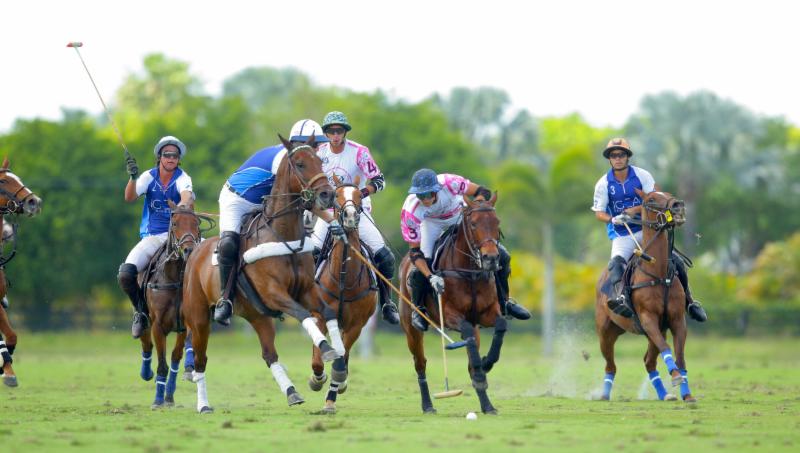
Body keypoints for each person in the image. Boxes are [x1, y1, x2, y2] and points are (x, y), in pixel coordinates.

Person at [213, 119, 346, 325]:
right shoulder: (284, 160)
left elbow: (306, 197)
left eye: (318, 144)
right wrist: (330, 220)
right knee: (229, 243)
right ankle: (225, 299)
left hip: (264, 200)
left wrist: (333, 214)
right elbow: (306, 200)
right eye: (315, 143)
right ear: (298, 142)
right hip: (237, 199)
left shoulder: (304, 159)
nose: (318, 148)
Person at [591, 138, 707, 322]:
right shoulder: (603, 183)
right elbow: (599, 213)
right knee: (616, 264)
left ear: (627, 157)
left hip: (649, 230)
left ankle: (690, 302)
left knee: (676, 261)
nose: (618, 158)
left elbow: (656, 197)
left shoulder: (642, 175)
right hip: (623, 233)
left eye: (621, 154)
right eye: (614, 155)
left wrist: (634, 210)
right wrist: (613, 219)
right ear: (610, 159)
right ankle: (621, 298)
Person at [400, 169, 531, 331]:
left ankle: (505, 302)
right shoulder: (410, 211)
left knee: (503, 256)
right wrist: (431, 276)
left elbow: (483, 191)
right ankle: (418, 309)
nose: (425, 199)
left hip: (459, 215)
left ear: (437, 189)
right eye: (421, 195)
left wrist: (477, 205)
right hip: (431, 224)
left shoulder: (450, 182)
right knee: (419, 269)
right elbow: (414, 253)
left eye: (428, 194)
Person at [310, 111, 400, 325]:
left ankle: (387, 302)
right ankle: (307, 298)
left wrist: (362, 193)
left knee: (385, 256)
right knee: (311, 252)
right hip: (330, 212)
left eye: (339, 131)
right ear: (326, 133)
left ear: (345, 132)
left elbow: (379, 180)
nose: (335, 135)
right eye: (331, 131)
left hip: (358, 211)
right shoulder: (319, 153)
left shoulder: (359, 152)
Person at [118, 136, 194, 339]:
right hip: (153, 237)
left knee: (211, 261)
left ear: (178, 159)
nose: (171, 158)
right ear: (160, 157)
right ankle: (140, 313)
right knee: (125, 274)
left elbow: (186, 196)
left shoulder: (183, 177)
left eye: (175, 155)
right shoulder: (148, 177)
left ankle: (214, 307)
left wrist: (181, 207)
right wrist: (133, 178)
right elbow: (129, 197)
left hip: (180, 236)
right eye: (167, 154)